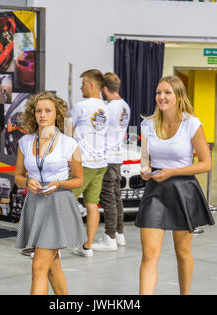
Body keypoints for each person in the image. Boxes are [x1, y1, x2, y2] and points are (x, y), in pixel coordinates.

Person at [136, 75, 214, 295]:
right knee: (149, 254)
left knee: (182, 253)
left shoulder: (192, 124)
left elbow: (206, 164)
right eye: (159, 92)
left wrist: (174, 172)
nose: (162, 97)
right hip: (156, 191)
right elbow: (145, 159)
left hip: (183, 190)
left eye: (167, 92)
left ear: (179, 96)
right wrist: (144, 170)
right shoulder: (147, 124)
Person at [14, 91, 87, 295]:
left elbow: (79, 180)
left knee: (39, 266)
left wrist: (59, 183)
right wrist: (27, 181)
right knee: (52, 265)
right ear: (33, 114)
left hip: (59, 204)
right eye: (38, 111)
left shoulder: (70, 144)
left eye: (48, 110)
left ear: (57, 114)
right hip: (35, 203)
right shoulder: (25, 142)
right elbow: (18, 176)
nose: (42, 115)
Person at [70, 69, 109, 257]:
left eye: (83, 83)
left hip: (82, 163)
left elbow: (67, 132)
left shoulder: (81, 106)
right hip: (101, 163)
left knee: (60, 202)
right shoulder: (107, 108)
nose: (81, 86)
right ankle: (88, 246)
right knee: (92, 204)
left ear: (92, 85)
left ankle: (51, 248)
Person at [92, 72, 131, 251]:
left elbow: (99, 130)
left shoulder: (108, 108)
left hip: (107, 157)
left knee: (107, 198)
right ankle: (119, 233)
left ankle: (110, 237)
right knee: (116, 197)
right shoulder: (125, 106)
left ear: (105, 89)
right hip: (117, 156)